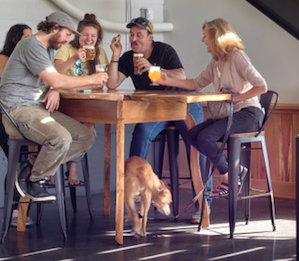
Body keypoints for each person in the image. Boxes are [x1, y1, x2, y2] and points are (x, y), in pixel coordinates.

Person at [0, 11, 108, 199]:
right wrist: (90, 79)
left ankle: (29, 167)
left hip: (36, 107)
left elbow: (50, 79)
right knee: (61, 138)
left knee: (85, 137)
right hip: (17, 109)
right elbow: (55, 79)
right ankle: (35, 179)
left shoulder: (46, 48)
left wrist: (53, 88)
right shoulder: (30, 45)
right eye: (66, 34)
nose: (67, 40)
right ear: (55, 28)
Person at [154, 18, 266, 202]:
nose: (202, 40)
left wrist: (236, 97)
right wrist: (167, 81)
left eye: (205, 35)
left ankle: (228, 178)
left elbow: (261, 86)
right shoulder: (216, 62)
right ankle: (235, 170)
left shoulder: (237, 56)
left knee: (205, 137)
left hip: (249, 113)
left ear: (216, 37)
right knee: (191, 136)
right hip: (228, 114)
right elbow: (196, 83)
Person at [105, 17, 196, 159]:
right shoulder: (129, 58)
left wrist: (154, 69)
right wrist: (115, 55)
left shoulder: (164, 50)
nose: (133, 39)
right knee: (141, 131)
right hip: (155, 108)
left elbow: (181, 76)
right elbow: (111, 84)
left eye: (139, 35)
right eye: (131, 35)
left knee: (193, 140)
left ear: (150, 37)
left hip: (179, 104)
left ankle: (204, 181)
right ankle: (134, 179)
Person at [54, 14, 110, 183]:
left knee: (90, 127)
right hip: (64, 103)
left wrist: (75, 85)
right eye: (85, 35)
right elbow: (57, 74)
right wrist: (74, 59)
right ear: (78, 35)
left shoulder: (100, 53)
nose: (89, 39)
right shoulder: (66, 50)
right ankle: (57, 167)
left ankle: (71, 165)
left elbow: (100, 84)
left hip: (86, 103)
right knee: (75, 129)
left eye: (93, 36)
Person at [0, 23, 30, 155]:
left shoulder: (28, 59)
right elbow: (11, 78)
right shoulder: (2, 58)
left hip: (25, 113)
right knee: (16, 164)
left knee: (27, 163)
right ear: (15, 39)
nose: (31, 41)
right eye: (27, 36)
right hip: (4, 116)